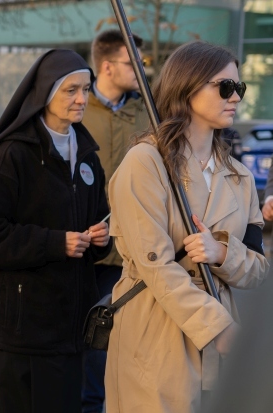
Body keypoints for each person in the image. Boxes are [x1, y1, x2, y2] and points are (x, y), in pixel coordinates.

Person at [105, 41, 269, 413]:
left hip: (223, 346)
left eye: (239, 88)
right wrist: (218, 327)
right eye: (225, 87)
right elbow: (155, 264)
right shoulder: (146, 163)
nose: (235, 97)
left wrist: (223, 253)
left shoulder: (240, 177)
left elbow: (260, 268)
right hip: (156, 333)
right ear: (187, 87)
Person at [0, 49, 111, 413]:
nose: (81, 99)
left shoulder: (87, 153)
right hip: (25, 327)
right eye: (70, 90)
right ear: (45, 92)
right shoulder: (13, 153)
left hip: (71, 324)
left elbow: (100, 220)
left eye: (86, 89)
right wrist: (55, 243)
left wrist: (101, 241)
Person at [80, 29, 149, 413]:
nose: (140, 69)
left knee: (118, 347)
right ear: (106, 65)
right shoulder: (76, 107)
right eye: (132, 62)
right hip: (82, 249)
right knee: (86, 347)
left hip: (131, 252)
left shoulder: (145, 110)